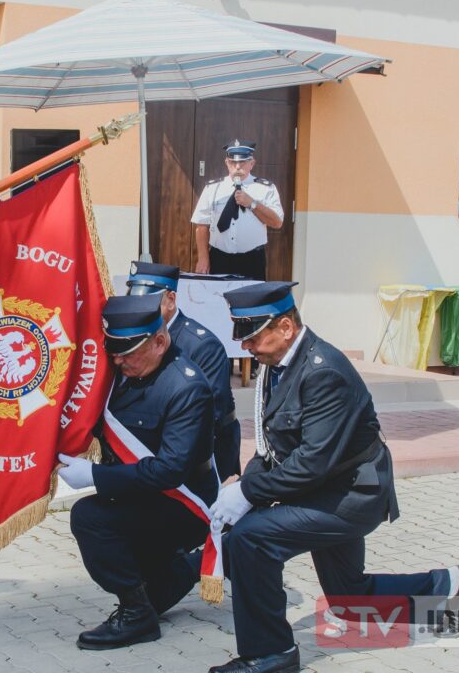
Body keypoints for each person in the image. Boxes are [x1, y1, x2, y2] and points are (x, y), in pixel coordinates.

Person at [195, 281, 459, 673]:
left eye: (253, 336)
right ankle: (448, 587)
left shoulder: (323, 371)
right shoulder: (278, 365)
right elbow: (272, 447)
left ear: (285, 327)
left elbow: (311, 462)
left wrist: (248, 492)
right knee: (348, 599)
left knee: (252, 539)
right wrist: (244, 486)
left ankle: (270, 653)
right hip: (324, 489)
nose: (245, 345)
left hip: (352, 496)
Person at [56, 293, 217, 650]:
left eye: (127, 352)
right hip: (138, 492)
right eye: (113, 351)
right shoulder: (123, 371)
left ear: (159, 342)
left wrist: (94, 476)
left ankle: (135, 615)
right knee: (153, 586)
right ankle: (181, 570)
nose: (117, 360)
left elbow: (170, 471)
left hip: (182, 502)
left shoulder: (186, 387)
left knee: (90, 517)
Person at [126, 261, 240, 479]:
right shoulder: (139, 337)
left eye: (150, 304)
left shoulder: (201, 345)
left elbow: (210, 415)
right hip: (154, 449)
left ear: (171, 300)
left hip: (203, 457)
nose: (142, 311)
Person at [191, 140, 284, 280]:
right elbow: (201, 225)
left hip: (252, 260)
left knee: (252, 295)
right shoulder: (212, 188)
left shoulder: (266, 188)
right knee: (218, 294)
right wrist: (203, 258)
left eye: (243, 162)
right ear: (226, 163)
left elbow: (277, 222)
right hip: (219, 258)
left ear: (252, 163)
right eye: (233, 162)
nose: (238, 166)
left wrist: (252, 204)